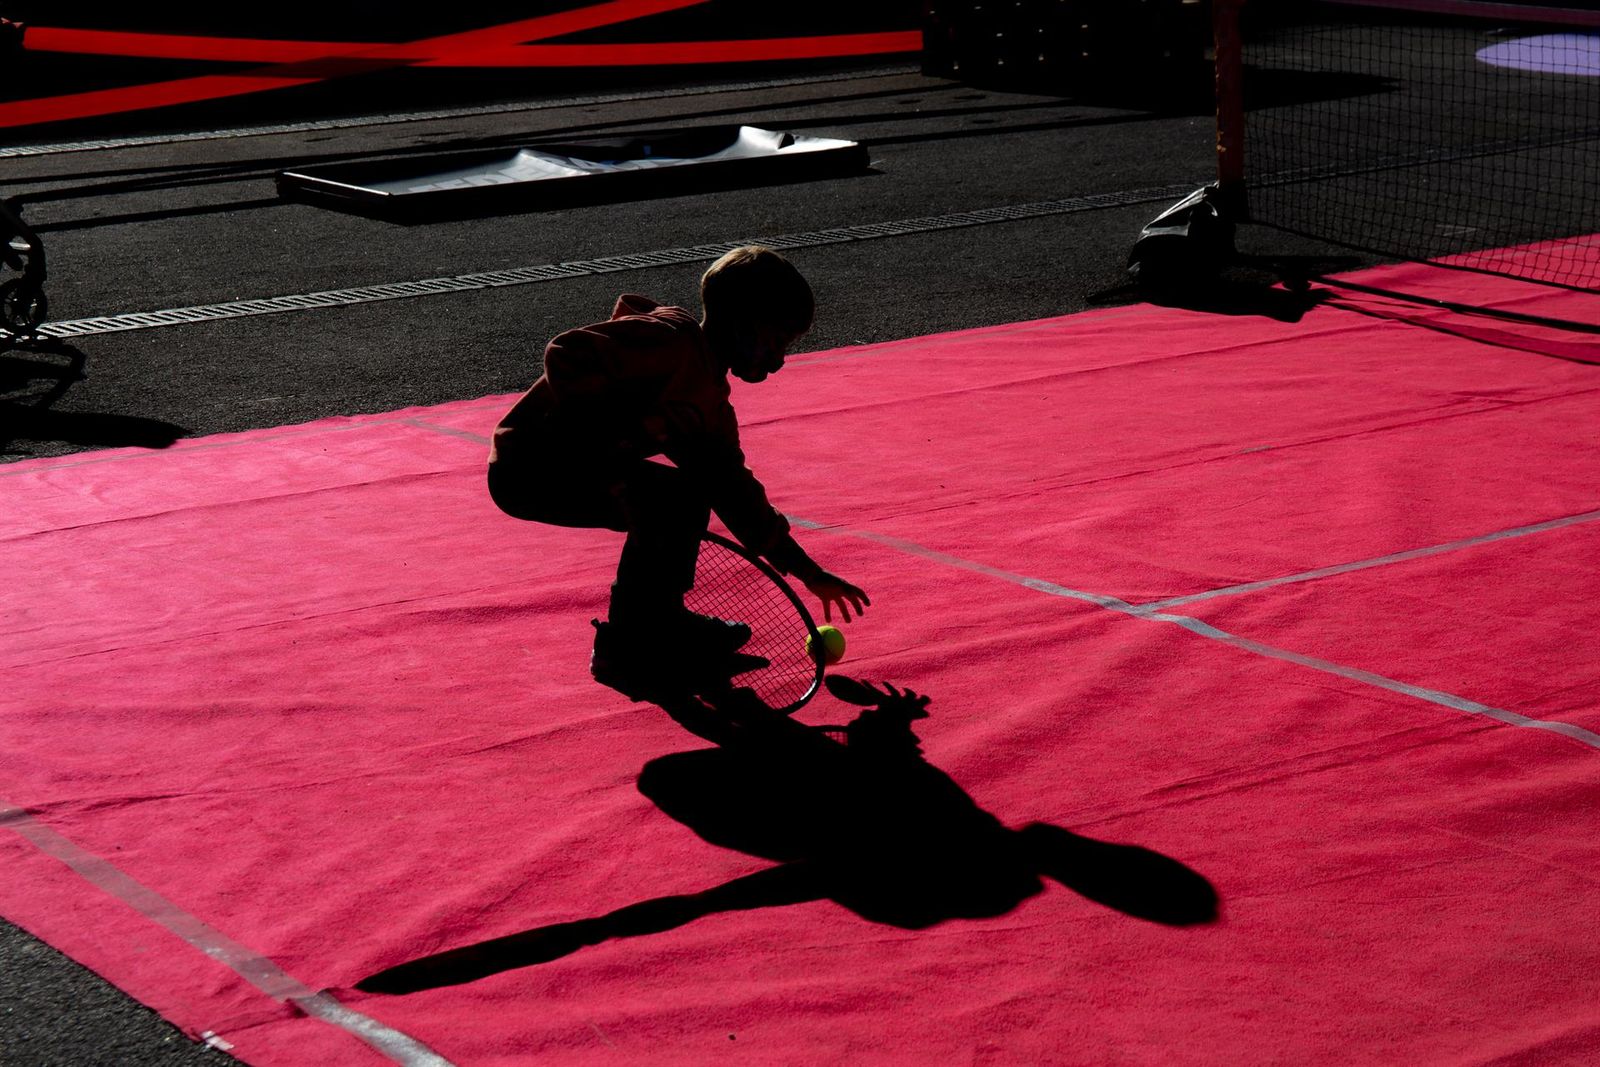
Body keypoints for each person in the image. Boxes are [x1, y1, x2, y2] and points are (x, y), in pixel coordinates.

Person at [488, 245, 869, 693]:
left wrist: (808, 572)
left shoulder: (709, 406)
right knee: (670, 500)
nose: (779, 359)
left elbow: (737, 494)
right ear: (741, 323)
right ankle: (633, 641)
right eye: (776, 341)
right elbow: (566, 353)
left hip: (572, 473)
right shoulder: (670, 341)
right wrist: (606, 458)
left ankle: (652, 627)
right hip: (529, 464)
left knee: (687, 497)